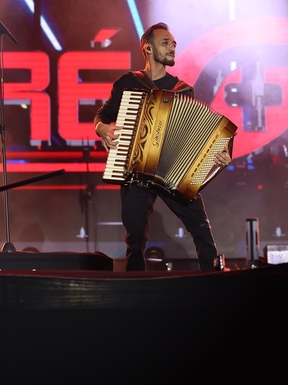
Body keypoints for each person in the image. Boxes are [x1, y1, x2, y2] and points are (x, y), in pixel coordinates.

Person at [94, 22, 231, 271]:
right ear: (147, 47)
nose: (172, 48)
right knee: (135, 241)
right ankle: (136, 297)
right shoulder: (128, 83)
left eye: (174, 44)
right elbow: (103, 116)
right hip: (135, 172)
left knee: (201, 229)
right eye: (166, 43)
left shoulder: (182, 90)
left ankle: (213, 285)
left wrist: (218, 154)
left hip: (172, 175)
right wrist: (101, 128)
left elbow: (196, 136)